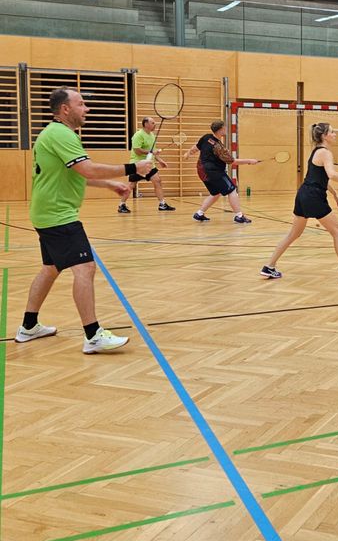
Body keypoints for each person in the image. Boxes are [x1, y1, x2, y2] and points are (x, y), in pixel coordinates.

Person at [16, 87, 152, 353]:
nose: (86, 109)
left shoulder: (57, 134)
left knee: (50, 269)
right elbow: (86, 167)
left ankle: (29, 326)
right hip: (58, 214)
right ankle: (93, 335)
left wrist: (111, 184)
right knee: (85, 268)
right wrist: (131, 168)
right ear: (65, 109)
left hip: (48, 212)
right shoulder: (60, 134)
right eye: (80, 104)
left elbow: (79, 173)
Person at [261, 123, 338, 283]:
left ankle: (269, 266)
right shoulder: (325, 153)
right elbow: (331, 174)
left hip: (303, 194)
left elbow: (318, 178)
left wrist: (335, 193)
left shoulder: (316, 152)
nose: (335, 134)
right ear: (324, 136)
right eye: (332, 132)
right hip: (314, 197)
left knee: (293, 234)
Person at [183, 120, 258, 223]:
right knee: (231, 190)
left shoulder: (206, 137)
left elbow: (195, 148)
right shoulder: (219, 147)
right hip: (213, 171)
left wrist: (188, 154)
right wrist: (249, 161)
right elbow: (232, 162)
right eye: (224, 127)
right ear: (221, 129)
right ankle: (239, 216)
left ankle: (199, 214)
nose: (226, 129)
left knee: (215, 193)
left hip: (201, 171)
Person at [117, 115, 176, 214]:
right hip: (138, 165)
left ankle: (162, 204)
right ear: (146, 124)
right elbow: (137, 151)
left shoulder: (152, 135)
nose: (155, 124)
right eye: (153, 123)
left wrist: (160, 160)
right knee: (131, 185)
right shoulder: (138, 135)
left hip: (149, 164)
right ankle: (121, 204)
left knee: (157, 181)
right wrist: (152, 152)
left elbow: (153, 151)